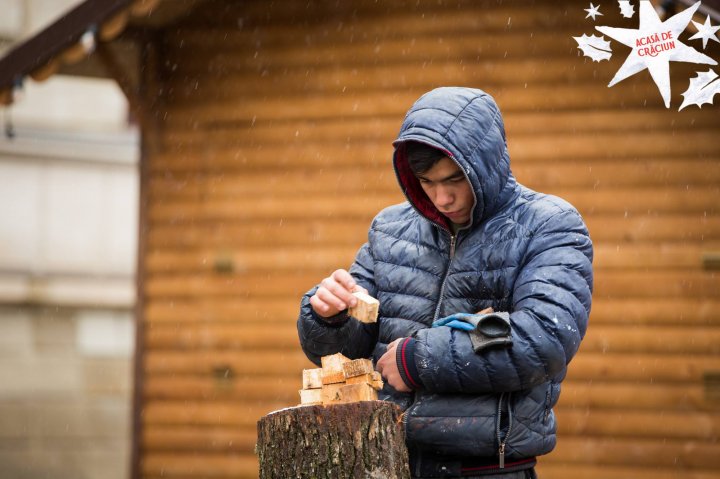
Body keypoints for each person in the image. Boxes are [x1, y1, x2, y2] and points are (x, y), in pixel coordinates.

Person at [297, 87, 593, 478]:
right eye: (426, 181)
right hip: (387, 460)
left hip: (487, 469)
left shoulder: (550, 225)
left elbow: (544, 339)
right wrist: (328, 317)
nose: (442, 197)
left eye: (455, 179)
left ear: (486, 165)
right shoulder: (389, 228)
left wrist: (418, 360)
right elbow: (347, 353)